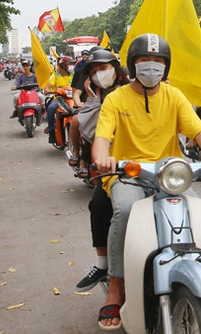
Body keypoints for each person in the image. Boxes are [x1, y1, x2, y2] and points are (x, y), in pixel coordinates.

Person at [92, 33, 201, 330]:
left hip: (170, 173)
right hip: (127, 173)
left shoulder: (174, 96)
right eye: (144, 60)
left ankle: (200, 276)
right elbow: (102, 138)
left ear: (166, 67)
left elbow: (197, 130)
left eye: (157, 61)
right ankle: (116, 287)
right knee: (125, 212)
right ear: (132, 64)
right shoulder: (115, 99)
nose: (151, 66)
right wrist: (102, 156)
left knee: (194, 213)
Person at [71, 49, 130, 293]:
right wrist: (93, 99)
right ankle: (104, 263)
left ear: (117, 69)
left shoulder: (137, 89)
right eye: (94, 72)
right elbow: (93, 132)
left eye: (103, 69)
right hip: (114, 165)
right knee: (99, 205)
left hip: (152, 163)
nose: (99, 75)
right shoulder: (99, 98)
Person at [44, 56, 74, 138]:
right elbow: (48, 87)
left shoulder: (74, 75)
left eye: (72, 64)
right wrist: (47, 90)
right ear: (63, 66)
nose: (72, 65)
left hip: (73, 98)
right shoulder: (55, 76)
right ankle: (52, 130)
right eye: (69, 64)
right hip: (59, 99)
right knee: (50, 108)